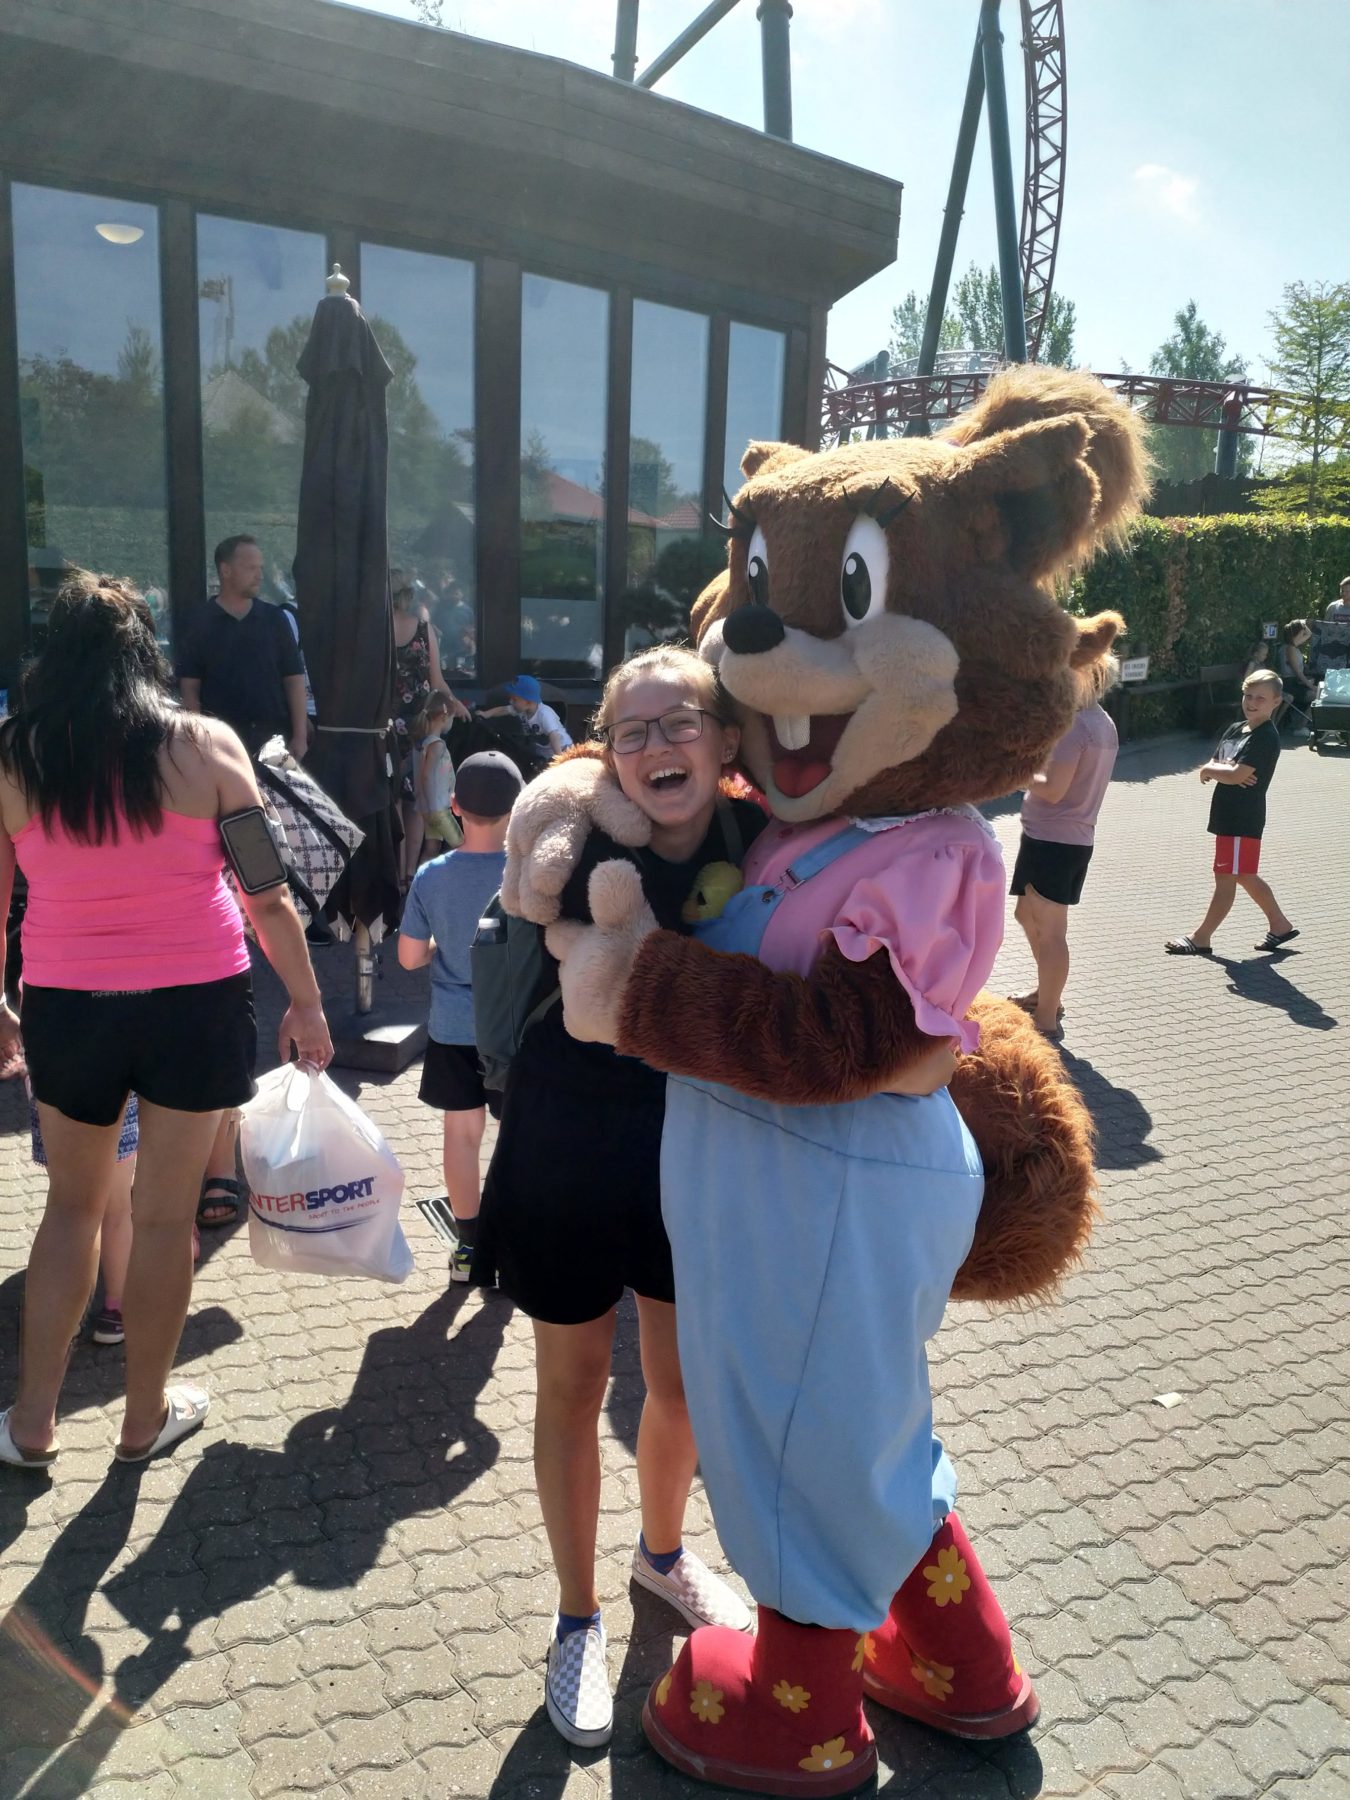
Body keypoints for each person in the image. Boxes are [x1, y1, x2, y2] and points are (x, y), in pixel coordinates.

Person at [474, 647, 757, 1747]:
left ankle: (663, 1557)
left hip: (700, 1137)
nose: (656, 746)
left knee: (680, 1386)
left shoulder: (764, 842)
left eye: (679, 720)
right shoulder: (575, 833)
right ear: (608, 748)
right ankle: (577, 1615)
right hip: (571, 1132)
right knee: (573, 1383)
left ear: (724, 737)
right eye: (631, 730)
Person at [0, 570, 332, 1468]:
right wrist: (306, 1002)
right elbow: (267, 894)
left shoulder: (14, 757)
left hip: (68, 1007)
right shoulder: (208, 747)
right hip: (196, 1002)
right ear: (144, 652)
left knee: (70, 1210)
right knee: (162, 1217)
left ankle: (31, 1425)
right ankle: (142, 1421)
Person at [398, 752, 522, 1281]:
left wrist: (441, 950)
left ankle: (468, 1247)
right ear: (518, 809)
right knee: (518, 1137)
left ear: (455, 807)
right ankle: (514, 1246)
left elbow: (408, 957)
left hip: (453, 1029)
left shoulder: (432, 876)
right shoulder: (529, 874)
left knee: (462, 1134)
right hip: (515, 1031)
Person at [1008, 658, 1120, 1040]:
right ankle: (1047, 995)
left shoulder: (1077, 726)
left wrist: (1016, 772)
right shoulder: (1102, 722)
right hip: (1060, 839)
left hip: (1055, 841)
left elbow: (1053, 789)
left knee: (1051, 932)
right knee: (1027, 914)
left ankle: (1047, 1017)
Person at [1165, 669, 1298, 957]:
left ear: (1276, 702)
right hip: (1226, 815)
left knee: (1227, 877)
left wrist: (1215, 771)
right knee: (1245, 875)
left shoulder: (1265, 736)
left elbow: (1232, 773)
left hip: (1243, 817)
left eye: (1261, 698)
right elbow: (1223, 764)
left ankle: (1201, 937)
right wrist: (1224, 771)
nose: (1252, 702)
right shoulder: (1236, 729)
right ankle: (1280, 924)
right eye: (1248, 696)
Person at [176, 535, 308, 761]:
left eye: (260, 568)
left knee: (284, 787)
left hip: (275, 744)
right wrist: (196, 740)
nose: (259, 575)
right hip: (220, 746)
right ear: (226, 570)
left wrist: (300, 736)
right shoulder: (199, 623)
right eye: (251, 568)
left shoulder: (275, 619)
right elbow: (189, 687)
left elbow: (294, 679)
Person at [392, 570, 468, 888]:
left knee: (393, 802)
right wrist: (456, 704)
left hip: (384, 724)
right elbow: (437, 681)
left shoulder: (374, 630)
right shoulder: (424, 630)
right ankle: (410, 873)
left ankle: (396, 873)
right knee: (416, 805)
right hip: (419, 722)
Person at [413, 693, 461, 855]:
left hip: (427, 806)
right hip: (438, 807)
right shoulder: (437, 745)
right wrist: (433, 806)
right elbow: (427, 775)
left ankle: (423, 872)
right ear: (444, 717)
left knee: (432, 848)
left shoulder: (421, 744)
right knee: (460, 844)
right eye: (452, 718)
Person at [505, 674, 573, 753]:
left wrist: (559, 757)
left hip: (562, 748)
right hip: (544, 750)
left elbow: (554, 735)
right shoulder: (521, 709)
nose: (510, 702)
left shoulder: (544, 713)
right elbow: (503, 710)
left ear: (528, 701)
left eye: (514, 699)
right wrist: (490, 713)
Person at [1275, 619, 1316, 730]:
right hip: (1289, 684)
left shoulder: (1292, 646)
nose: (1303, 636)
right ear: (1295, 634)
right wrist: (1311, 686)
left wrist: (1303, 623)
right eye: (1301, 633)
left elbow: (1309, 634)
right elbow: (1297, 673)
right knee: (1317, 695)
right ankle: (1300, 726)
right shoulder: (1290, 649)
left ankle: (1301, 724)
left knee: (1317, 692)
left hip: (1294, 683)